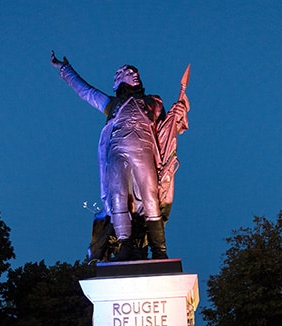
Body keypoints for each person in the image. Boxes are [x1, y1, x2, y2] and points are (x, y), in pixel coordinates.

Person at [51, 52, 189, 261]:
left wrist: (178, 114)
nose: (135, 75)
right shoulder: (112, 104)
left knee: (151, 196)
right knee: (118, 197)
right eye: (129, 73)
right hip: (116, 151)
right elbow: (86, 91)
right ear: (119, 79)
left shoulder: (154, 102)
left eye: (136, 73)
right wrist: (65, 69)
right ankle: (124, 244)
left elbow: (166, 129)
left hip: (144, 149)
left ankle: (159, 250)